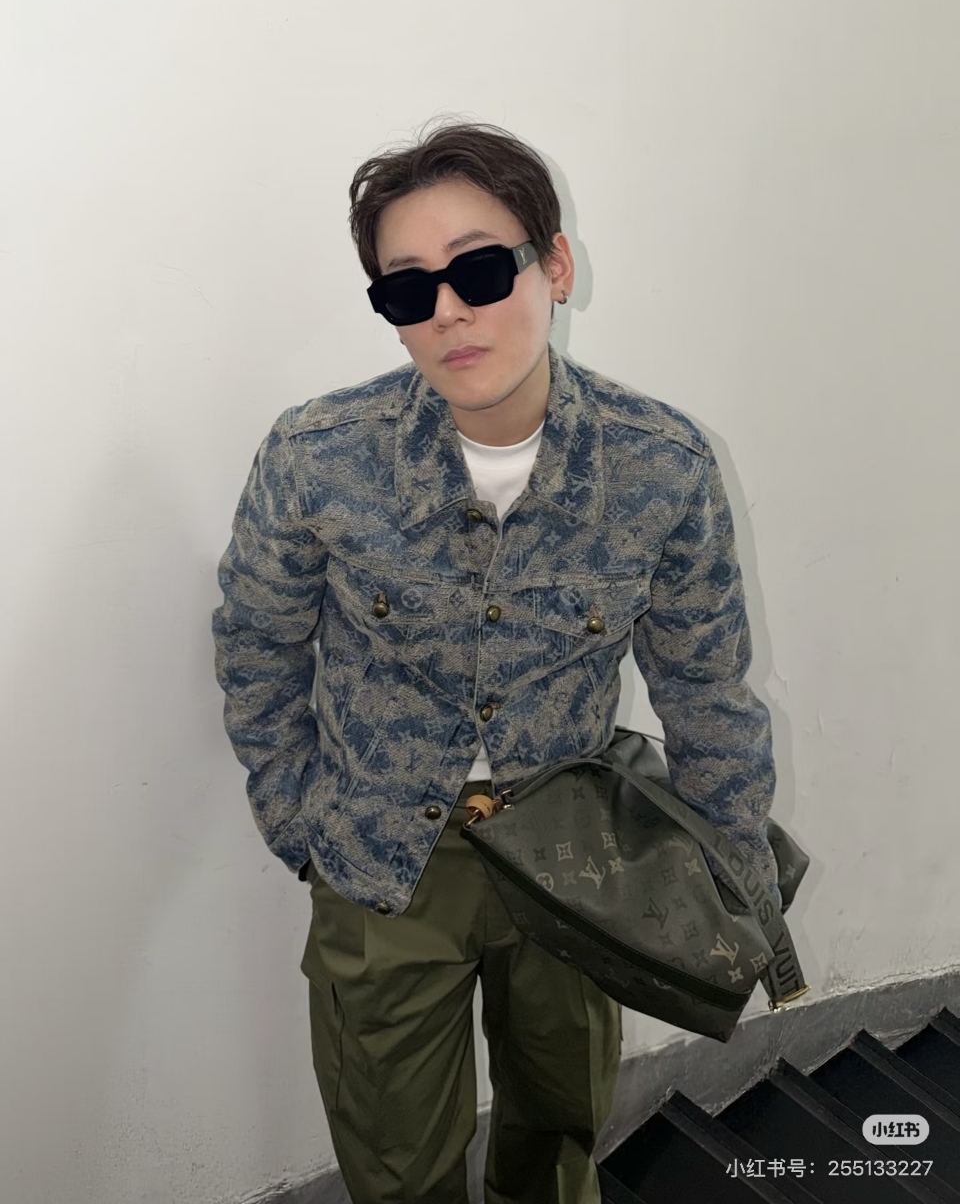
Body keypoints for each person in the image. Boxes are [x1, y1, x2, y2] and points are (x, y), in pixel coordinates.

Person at [212, 119, 782, 1203]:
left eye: (478, 269)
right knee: (396, 1167)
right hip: (382, 867)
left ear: (554, 265)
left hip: (577, 862)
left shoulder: (660, 467)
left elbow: (706, 687)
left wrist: (728, 874)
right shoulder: (317, 457)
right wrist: (303, 822)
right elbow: (256, 645)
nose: (448, 311)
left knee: (558, 1146)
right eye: (407, 288)